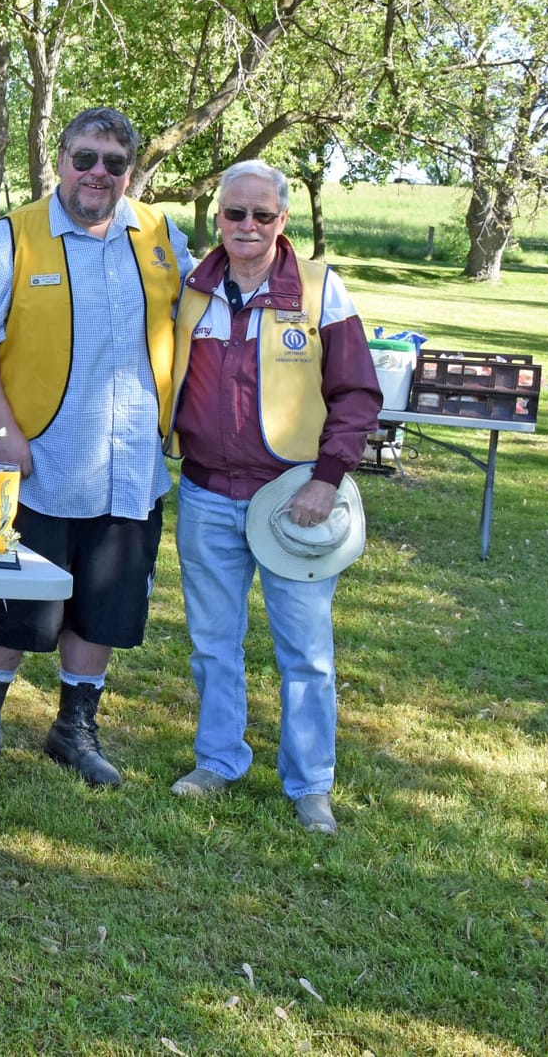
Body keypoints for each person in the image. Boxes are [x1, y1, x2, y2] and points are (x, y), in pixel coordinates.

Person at [0, 107, 192, 786]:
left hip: (132, 464)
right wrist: (5, 434)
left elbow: (204, 317)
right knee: (10, 601)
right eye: (85, 158)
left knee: (103, 606)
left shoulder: (162, 236)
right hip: (38, 464)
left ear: (130, 173)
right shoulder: (14, 238)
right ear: (60, 161)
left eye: (114, 164)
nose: (97, 174)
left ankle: (73, 730)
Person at [167, 158, 381, 832]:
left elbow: (357, 394)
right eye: (236, 214)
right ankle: (218, 759)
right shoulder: (191, 290)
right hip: (205, 492)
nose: (249, 226)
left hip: (296, 501)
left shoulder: (320, 290)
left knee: (307, 652)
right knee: (211, 642)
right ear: (219, 218)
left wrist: (329, 477)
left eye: (263, 215)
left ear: (283, 221)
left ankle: (311, 782)